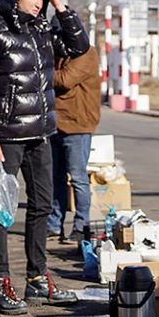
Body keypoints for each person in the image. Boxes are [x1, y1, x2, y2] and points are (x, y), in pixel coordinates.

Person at [0, 0, 90, 314]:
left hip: (41, 132)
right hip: (5, 135)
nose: (39, 2)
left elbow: (80, 46)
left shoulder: (42, 30)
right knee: (2, 211)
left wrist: (61, 4)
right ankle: (1, 284)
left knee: (41, 206)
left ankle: (37, 279)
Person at [46, 46, 101, 243]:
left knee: (78, 178)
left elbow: (65, 80)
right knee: (56, 178)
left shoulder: (86, 53)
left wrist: (40, 71)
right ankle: (54, 225)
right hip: (56, 122)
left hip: (78, 124)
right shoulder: (58, 53)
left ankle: (81, 226)